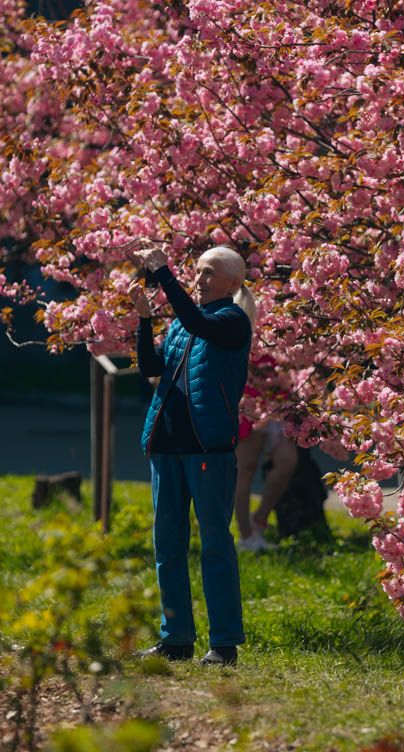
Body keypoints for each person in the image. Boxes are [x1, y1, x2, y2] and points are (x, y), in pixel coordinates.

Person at [125, 242, 257, 667]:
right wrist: (145, 320)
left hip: (208, 451)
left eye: (209, 273)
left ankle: (223, 643)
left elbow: (198, 321)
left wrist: (164, 274)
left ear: (233, 283)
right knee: (167, 544)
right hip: (166, 448)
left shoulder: (232, 320)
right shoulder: (183, 325)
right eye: (197, 271)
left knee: (215, 544)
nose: (200, 279)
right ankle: (176, 638)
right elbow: (150, 367)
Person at [234, 377, 297, 552]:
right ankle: (246, 536)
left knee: (287, 461)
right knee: (245, 468)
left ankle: (259, 518)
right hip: (252, 394)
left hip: (280, 395)